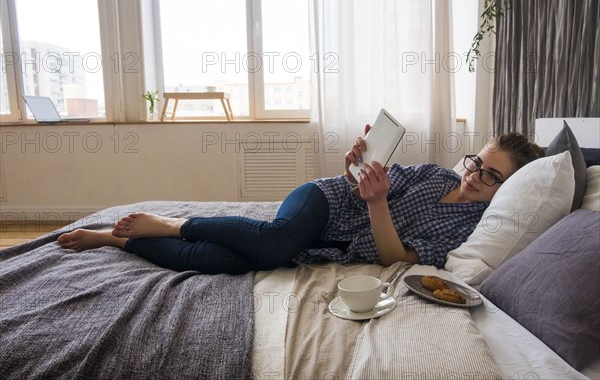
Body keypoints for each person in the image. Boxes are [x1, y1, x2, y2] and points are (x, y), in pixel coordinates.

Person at [58, 129, 544, 274]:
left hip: (328, 242)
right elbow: (353, 188)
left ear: (510, 188)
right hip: (320, 201)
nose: (476, 175)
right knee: (275, 242)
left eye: (492, 175)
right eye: (476, 163)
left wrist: (377, 206)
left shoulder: (468, 228)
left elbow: (397, 258)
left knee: (218, 261)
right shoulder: (434, 174)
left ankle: (115, 241)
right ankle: (171, 222)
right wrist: (355, 167)